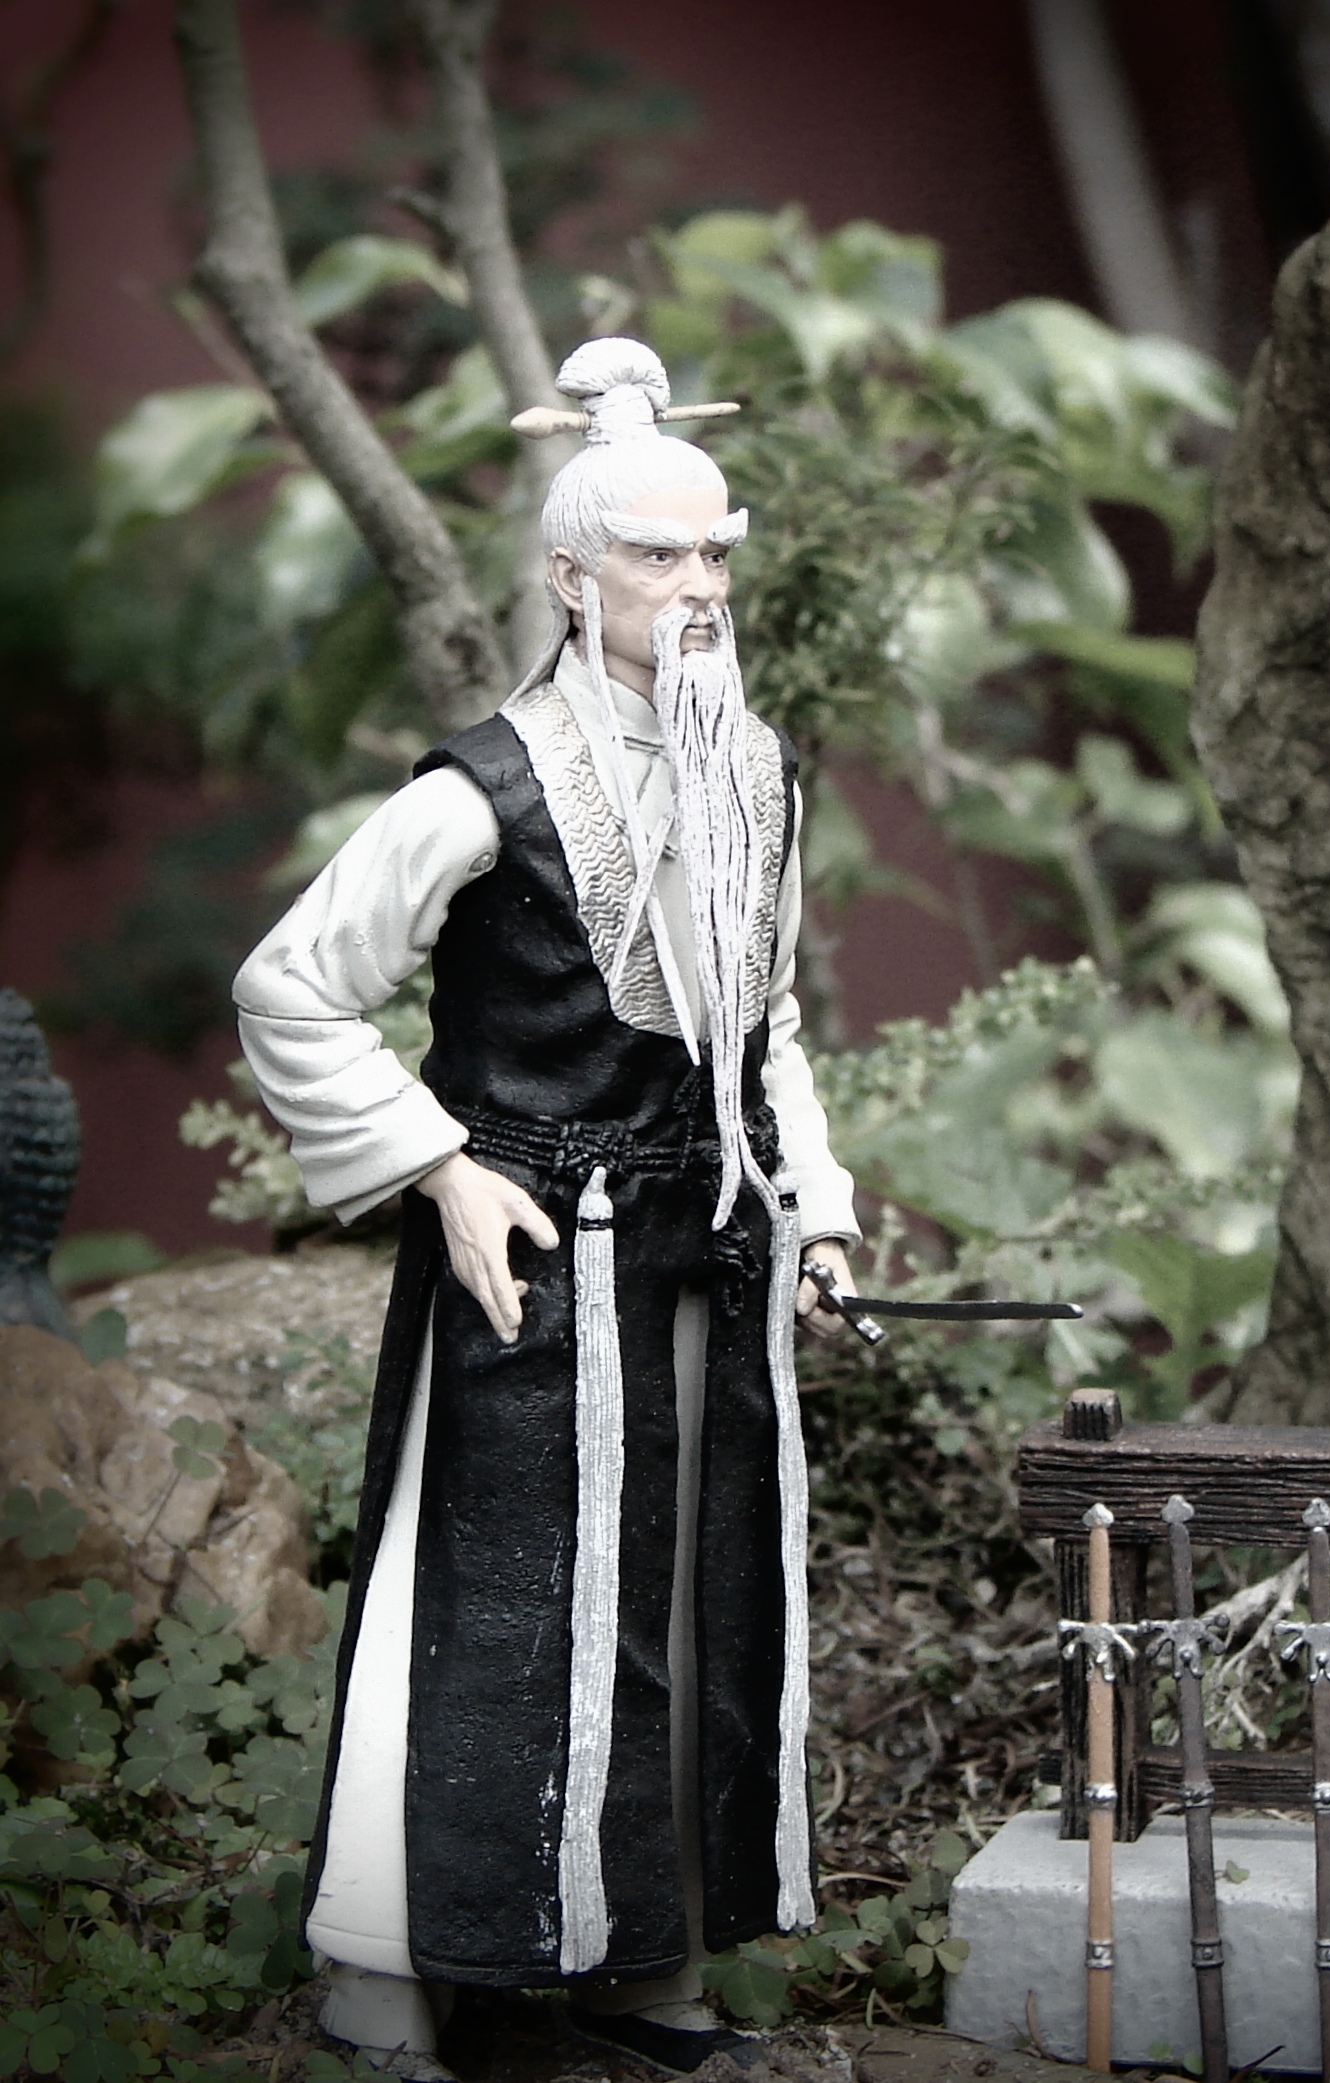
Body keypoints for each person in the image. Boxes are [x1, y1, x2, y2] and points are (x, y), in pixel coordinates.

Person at [233, 337, 858, 2077]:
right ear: (574, 578)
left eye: (717, 548)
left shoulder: (755, 773)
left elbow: (765, 1029)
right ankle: (386, 1978)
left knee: (682, 1606)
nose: (700, 583)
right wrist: (441, 1168)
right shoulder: (478, 788)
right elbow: (292, 986)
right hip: (532, 1258)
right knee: (482, 1602)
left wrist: (812, 1209)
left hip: (700, 1256)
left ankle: (640, 1968)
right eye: (659, 554)